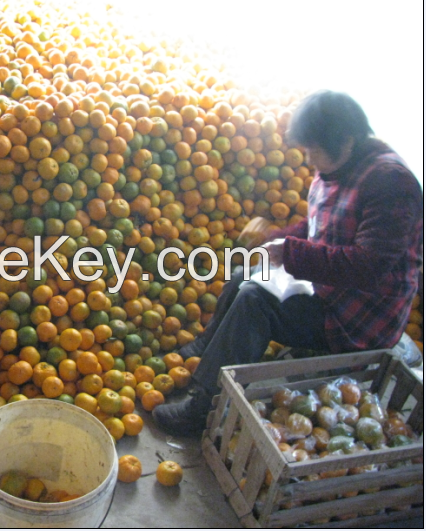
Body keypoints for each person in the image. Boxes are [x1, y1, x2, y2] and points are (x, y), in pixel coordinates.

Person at [153, 91, 424, 437]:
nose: (309, 160)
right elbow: (319, 230)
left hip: (356, 319)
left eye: (313, 151)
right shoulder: (341, 166)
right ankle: (204, 352)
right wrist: (276, 240)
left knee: (254, 303)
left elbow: (369, 268)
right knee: (245, 276)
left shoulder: (391, 185)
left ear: (346, 140)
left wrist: (290, 252)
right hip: (328, 287)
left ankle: (202, 408)